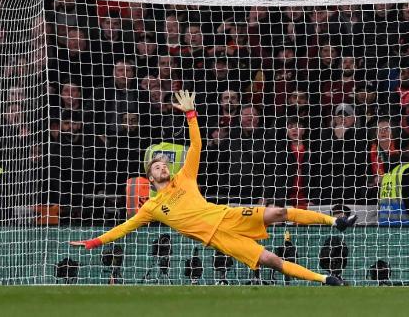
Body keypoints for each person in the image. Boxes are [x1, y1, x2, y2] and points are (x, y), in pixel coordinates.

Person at [71, 91, 356, 286]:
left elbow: (196, 145)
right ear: (150, 175)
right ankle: (326, 280)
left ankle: (337, 221)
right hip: (219, 239)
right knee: (272, 260)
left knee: (279, 211)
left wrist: (191, 114)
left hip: (228, 215)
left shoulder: (184, 177)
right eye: (157, 166)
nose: (163, 166)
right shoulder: (152, 207)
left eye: (164, 164)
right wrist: (94, 242)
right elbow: (124, 227)